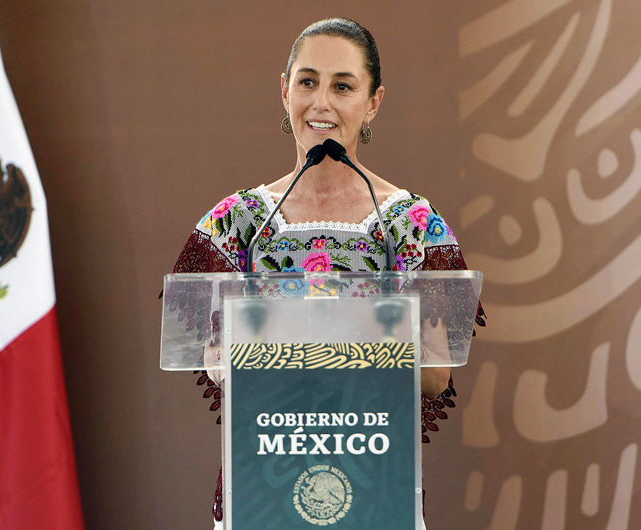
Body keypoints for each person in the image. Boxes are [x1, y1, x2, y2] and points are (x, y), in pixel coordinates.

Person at [170, 17, 485, 530]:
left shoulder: (411, 224)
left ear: (373, 102)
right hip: (262, 487)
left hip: (377, 489)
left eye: (343, 86)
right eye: (307, 82)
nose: (322, 102)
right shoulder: (238, 222)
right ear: (284, 90)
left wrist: (341, 334)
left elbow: (435, 375)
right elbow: (213, 361)